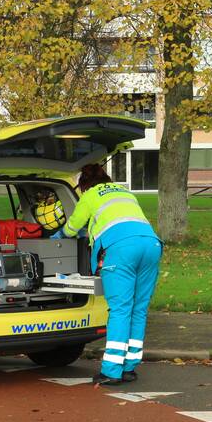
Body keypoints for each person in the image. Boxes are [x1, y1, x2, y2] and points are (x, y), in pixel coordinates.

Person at [58, 164, 162, 386]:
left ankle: (112, 371)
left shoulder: (89, 195)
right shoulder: (124, 191)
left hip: (121, 249)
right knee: (138, 309)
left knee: (120, 309)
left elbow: (72, 227)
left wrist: (58, 234)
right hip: (151, 243)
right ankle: (129, 367)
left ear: (83, 185)